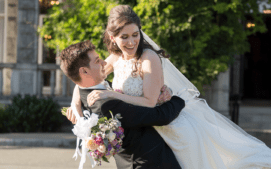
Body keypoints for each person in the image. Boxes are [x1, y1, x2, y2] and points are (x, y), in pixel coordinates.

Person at [70, 5, 271, 169]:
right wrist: (75, 103)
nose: (130, 42)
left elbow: (148, 102)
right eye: (124, 37)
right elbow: (89, 79)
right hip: (148, 132)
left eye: (135, 35)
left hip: (172, 128)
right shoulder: (117, 57)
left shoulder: (148, 58)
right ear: (112, 38)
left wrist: (110, 93)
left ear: (141, 32)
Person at [60, 40, 185, 169]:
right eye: (97, 61)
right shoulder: (105, 104)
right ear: (84, 72)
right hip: (150, 163)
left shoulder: (84, 95)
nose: (104, 62)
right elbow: (160, 116)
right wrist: (179, 99)